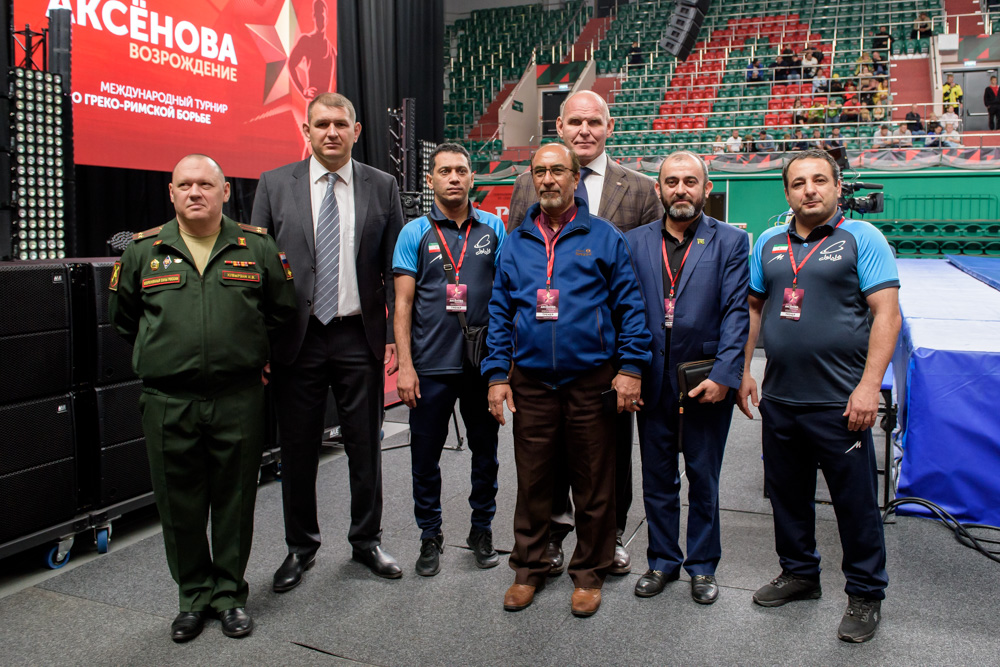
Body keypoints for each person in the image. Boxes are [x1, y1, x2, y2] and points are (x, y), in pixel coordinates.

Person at [109, 155, 298, 642]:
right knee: (180, 503)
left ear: (225, 191)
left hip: (238, 396)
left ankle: (229, 595)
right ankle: (192, 596)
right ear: (171, 193)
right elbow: (124, 319)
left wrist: (244, 353)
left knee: (235, 499)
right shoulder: (143, 252)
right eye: (185, 185)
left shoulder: (255, 247)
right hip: (168, 399)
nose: (195, 192)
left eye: (205, 184)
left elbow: (280, 312)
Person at [738, 148, 901, 643]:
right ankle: (800, 574)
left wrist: (869, 386)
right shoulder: (768, 242)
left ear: (835, 186)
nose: (809, 190)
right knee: (787, 497)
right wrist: (744, 370)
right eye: (798, 183)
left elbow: (887, 315)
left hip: (841, 401)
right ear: (786, 193)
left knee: (854, 504)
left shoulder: (863, 238)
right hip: (782, 400)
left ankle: (865, 593)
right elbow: (752, 310)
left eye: (819, 181)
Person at [485, 143, 651, 617]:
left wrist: (631, 368)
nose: (548, 179)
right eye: (540, 171)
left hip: (591, 380)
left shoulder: (604, 237)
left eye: (558, 170)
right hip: (532, 382)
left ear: (576, 179)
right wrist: (498, 375)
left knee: (594, 482)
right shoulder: (516, 241)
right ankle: (529, 568)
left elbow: (630, 308)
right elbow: (500, 312)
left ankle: (589, 571)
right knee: (534, 481)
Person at [252, 92, 406, 590]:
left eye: (341, 124)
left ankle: (367, 541)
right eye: (322, 125)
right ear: (307, 131)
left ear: (356, 131)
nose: (332, 133)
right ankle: (300, 547)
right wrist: (261, 345)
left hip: (358, 337)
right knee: (297, 451)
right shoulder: (275, 185)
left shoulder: (382, 186)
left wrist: (397, 342)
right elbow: (255, 271)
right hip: (296, 341)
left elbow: (395, 267)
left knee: (366, 446)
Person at [506, 89, 662, 577]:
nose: (585, 131)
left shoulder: (638, 189)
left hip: (608, 361)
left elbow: (652, 280)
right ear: (559, 128)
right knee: (544, 459)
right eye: (575, 122)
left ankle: (607, 537)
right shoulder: (527, 185)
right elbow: (517, 272)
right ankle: (552, 536)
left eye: (595, 122)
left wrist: (632, 363)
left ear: (609, 128)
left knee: (608, 459)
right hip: (541, 360)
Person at [625, 152, 749, 605]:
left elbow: (737, 313)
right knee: (657, 479)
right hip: (652, 380)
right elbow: (626, 311)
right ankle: (661, 560)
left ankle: (701, 566)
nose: (681, 190)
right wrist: (631, 371)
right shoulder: (635, 241)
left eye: (690, 182)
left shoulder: (731, 242)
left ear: (706, 188)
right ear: (658, 189)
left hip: (705, 382)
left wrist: (726, 375)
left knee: (704, 479)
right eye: (672, 182)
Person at [392, 143, 506, 576]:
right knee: (425, 457)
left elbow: (508, 298)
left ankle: (481, 530)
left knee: (486, 455)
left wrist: (503, 367)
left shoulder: (494, 227)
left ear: (472, 178)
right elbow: (402, 306)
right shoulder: (413, 233)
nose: (454, 178)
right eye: (445, 171)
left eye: (461, 170)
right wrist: (405, 365)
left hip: (481, 367)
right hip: (429, 368)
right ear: (431, 180)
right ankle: (429, 535)